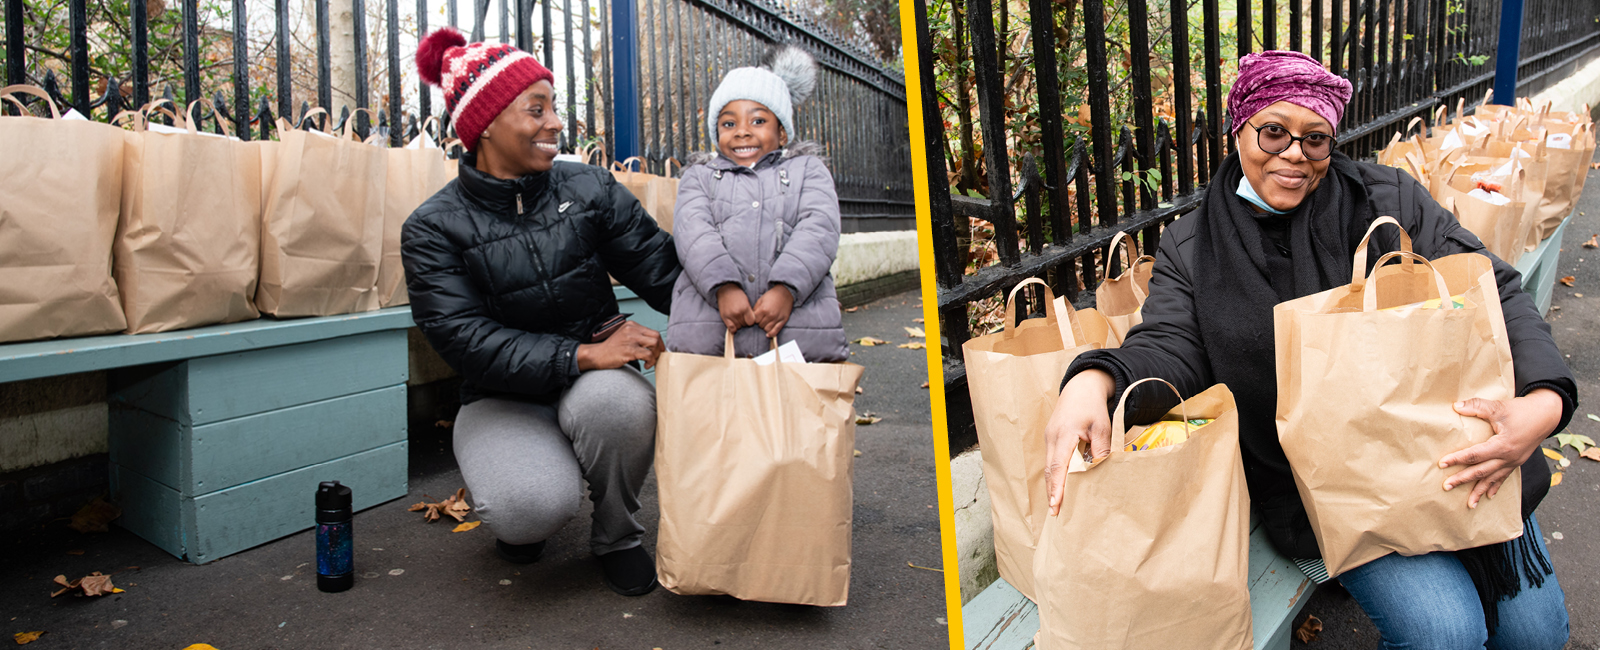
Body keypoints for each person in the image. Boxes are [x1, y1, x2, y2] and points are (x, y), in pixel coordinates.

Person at [1043, 50, 1576, 649]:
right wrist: (1095, 377)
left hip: (1453, 454)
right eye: (1273, 132)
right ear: (1238, 127)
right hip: (1332, 488)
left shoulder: (1385, 202)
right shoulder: (1194, 246)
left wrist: (1544, 401)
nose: (1294, 153)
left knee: (1534, 634)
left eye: (1315, 139)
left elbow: (1492, 284)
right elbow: (1170, 343)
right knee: (1445, 631)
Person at [401, 28, 679, 597]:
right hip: (501, 398)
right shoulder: (432, 228)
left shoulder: (588, 186)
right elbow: (466, 341)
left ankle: (618, 536)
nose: (556, 122)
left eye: (554, 106)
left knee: (623, 405)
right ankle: (529, 509)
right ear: (483, 125)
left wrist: (743, 308)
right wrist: (583, 353)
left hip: (595, 386)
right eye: (537, 108)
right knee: (526, 511)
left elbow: (662, 270)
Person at [665, 46, 848, 363]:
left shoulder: (808, 172)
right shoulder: (698, 178)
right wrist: (723, 287)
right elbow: (693, 233)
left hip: (798, 331)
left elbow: (819, 229)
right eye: (729, 123)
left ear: (781, 131)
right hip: (709, 333)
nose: (743, 131)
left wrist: (786, 289)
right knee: (711, 409)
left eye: (758, 120)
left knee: (796, 409)